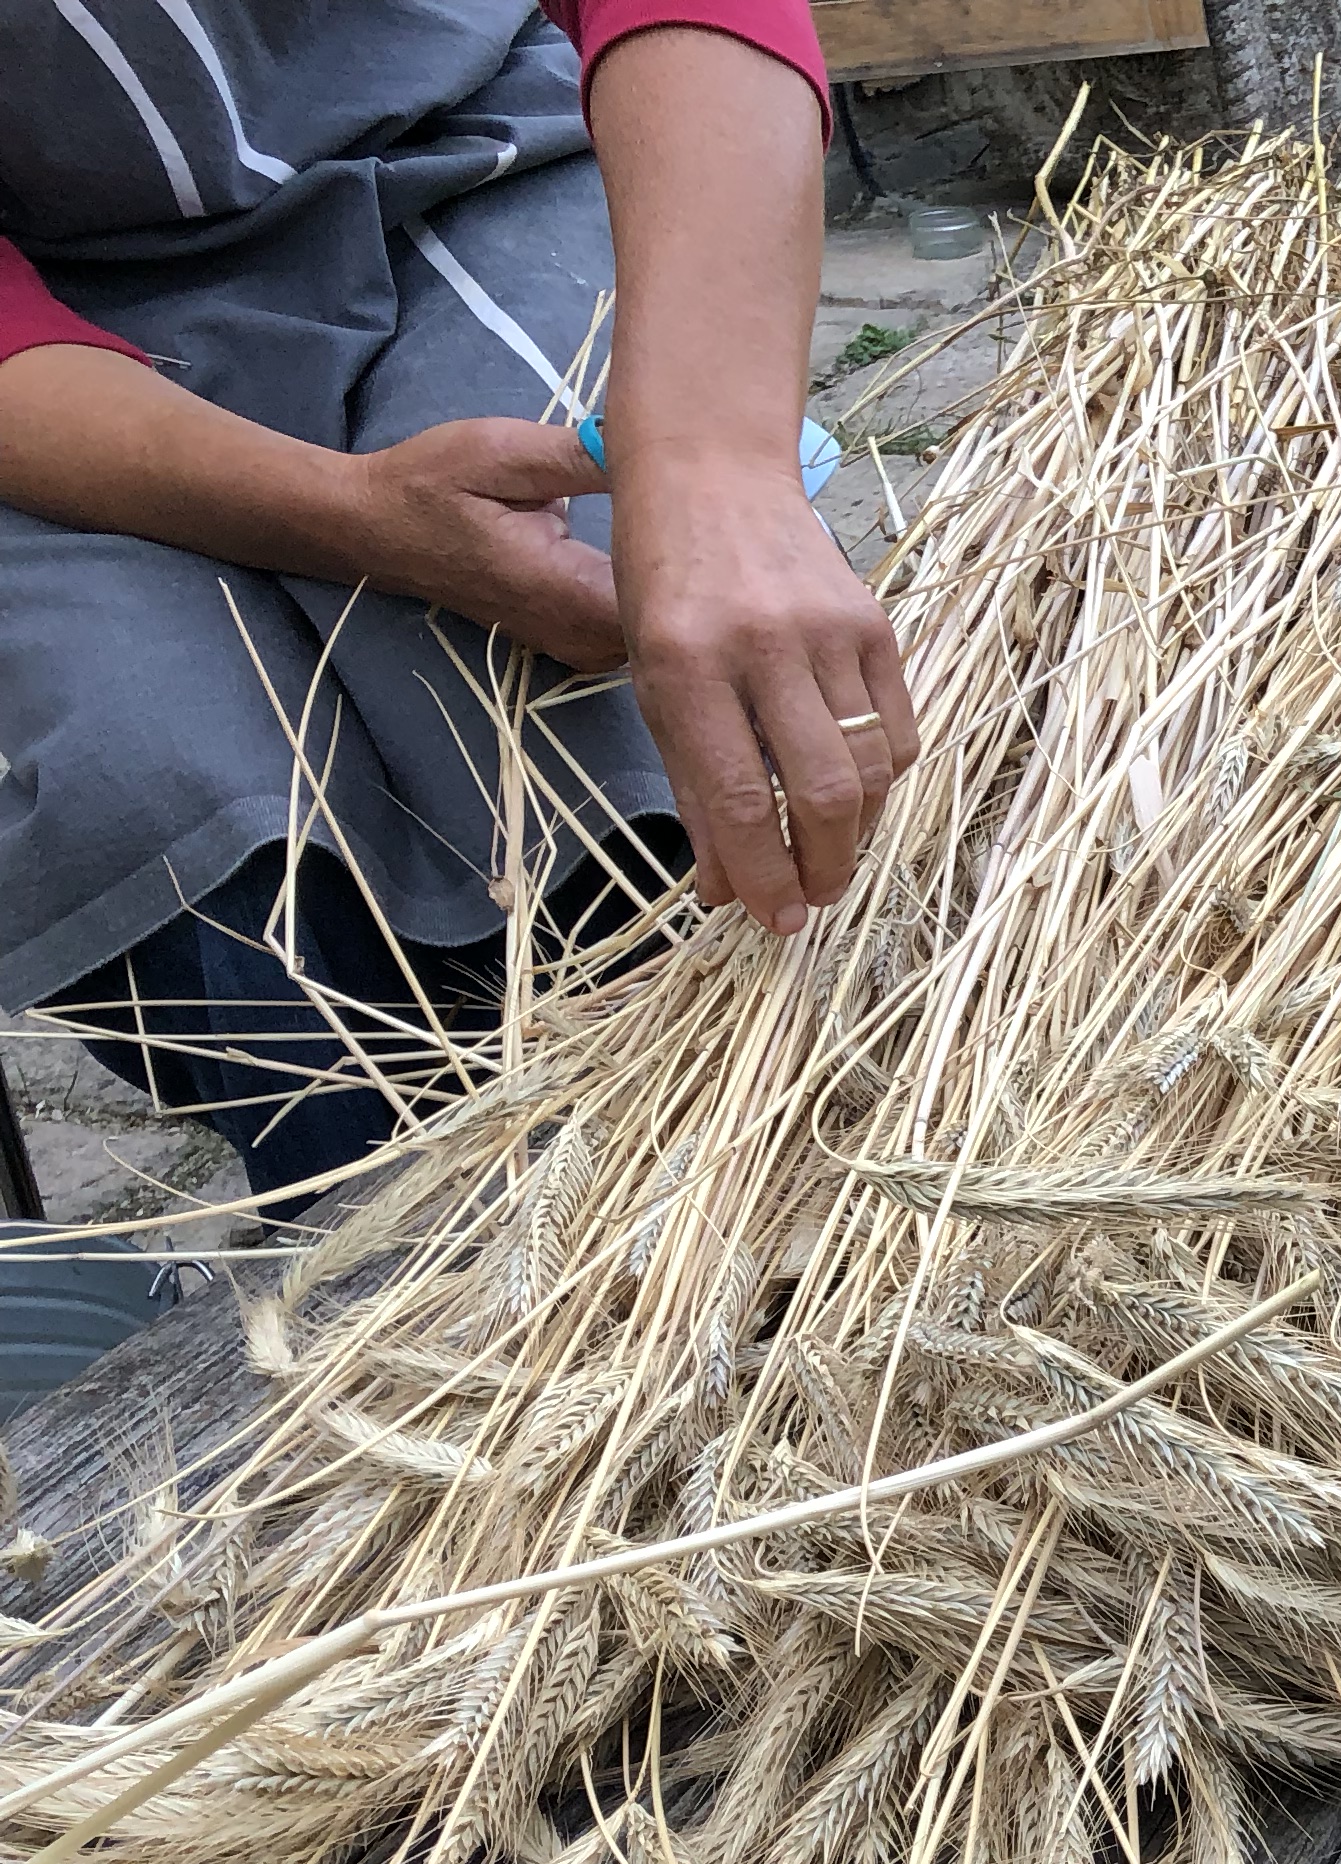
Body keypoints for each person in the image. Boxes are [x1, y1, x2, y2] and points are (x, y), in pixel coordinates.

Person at [0, 0, 911, 1200]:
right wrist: (350, 520)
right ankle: (407, 1246)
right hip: (51, 348)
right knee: (158, 785)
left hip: (460, 157)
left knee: (583, 690)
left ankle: (795, 1144)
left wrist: (708, 460)